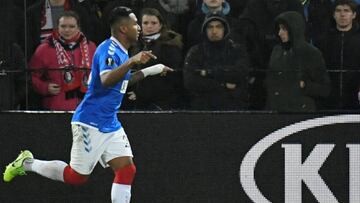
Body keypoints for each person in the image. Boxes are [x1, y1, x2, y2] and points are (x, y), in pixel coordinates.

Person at [3, 6, 172, 203]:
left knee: (127, 170)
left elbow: (122, 82)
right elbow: (107, 79)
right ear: (124, 29)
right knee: (76, 177)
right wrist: (132, 61)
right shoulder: (108, 49)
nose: (139, 27)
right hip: (90, 122)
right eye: (135, 23)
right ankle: (27, 162)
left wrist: (152, 70)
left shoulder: (121, 52)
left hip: (109, 122)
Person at [29, 11, 97, 111]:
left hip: (87, 108)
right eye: (63, 26)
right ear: (57, 28)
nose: (67, 30)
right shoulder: (44, 49)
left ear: (78, 28)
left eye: (71, 26)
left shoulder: (91, 47)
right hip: (56, 108)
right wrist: (45, 87)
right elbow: (30, 76)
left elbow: (100, 75)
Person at [265, 11, 331, 112]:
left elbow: (325, 89)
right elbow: (270, 79)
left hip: (300, 115)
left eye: (284, 29)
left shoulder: (311, 53)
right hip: (276, 111)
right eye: (279, 29)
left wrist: (304, 85)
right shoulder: (277, 50)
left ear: (294, 28)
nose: (280, 33)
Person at [183, 13, 250, 110]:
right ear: (205, 30)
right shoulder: (196, 51)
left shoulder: (237, 50)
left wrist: (208, 73)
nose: (214, 31)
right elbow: (191, 81)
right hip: (202, 108)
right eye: (210, 27)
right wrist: (223, 85)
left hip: (233, 106)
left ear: (225, 29)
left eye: (219, 27)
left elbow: (240, 73)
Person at [124, 8, 185, 110]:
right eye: (146, 23)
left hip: (163, 103)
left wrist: (140, 93)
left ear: (160, 25)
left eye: (153, 23)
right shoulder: (135, 46)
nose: (149, 26)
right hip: (138, 101)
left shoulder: (170, 46)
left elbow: (170, 77)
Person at [315, 0, 360, 110]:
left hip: (355, 100)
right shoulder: (322, 41)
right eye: (338, 10)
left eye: (346, 11)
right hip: (327, 101)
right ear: (333, 14)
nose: (342, 14)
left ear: (354, 15)